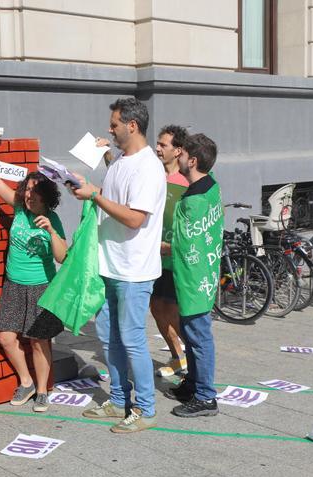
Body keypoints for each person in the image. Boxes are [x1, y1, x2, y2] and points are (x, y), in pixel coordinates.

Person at [69, 97, 166, 433]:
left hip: (134, 271)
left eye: (114, 125)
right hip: (110, 265)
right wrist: (92, 180)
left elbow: (135, 218)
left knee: (132, 338)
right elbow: (116, 183)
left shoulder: (149, 168)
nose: (109, 130)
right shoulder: (123, 159)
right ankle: (119, 399)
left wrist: (95, 196)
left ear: (132, 125)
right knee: (109, 338)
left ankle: (147, 409)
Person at [0, 139, 68, 413]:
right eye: (27, 190)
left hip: (41, 287)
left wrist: (51, 233)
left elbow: (61, 257)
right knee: (6, 337)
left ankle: (43, 390)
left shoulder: (52, 219)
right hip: (13, 285)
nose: (29, 195)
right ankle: (26, 381)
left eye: (35, 192)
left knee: (38, 340)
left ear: (46, 196)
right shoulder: (20, 209)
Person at [164, 133, 224, 418]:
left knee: (199, 337)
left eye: (183, 153)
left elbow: (180, 245)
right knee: (191, 333)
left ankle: (206, 397)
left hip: (193, 278)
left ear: (193, 160)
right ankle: (193, 384)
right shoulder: (211, 185)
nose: (179, 156)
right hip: (206, 272)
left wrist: (150, 245)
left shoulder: (193, 200)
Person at [152, 125, 190, 377]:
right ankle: (177, 356)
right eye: (158, 143)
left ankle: (189, 357)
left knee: (174, 312)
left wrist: (174, 247)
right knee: (156, 308)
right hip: (153, 258)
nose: (158, 148)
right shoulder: (153, 175)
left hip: (175, 259)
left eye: (163, 145)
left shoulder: (186, 182)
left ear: (177, 151)